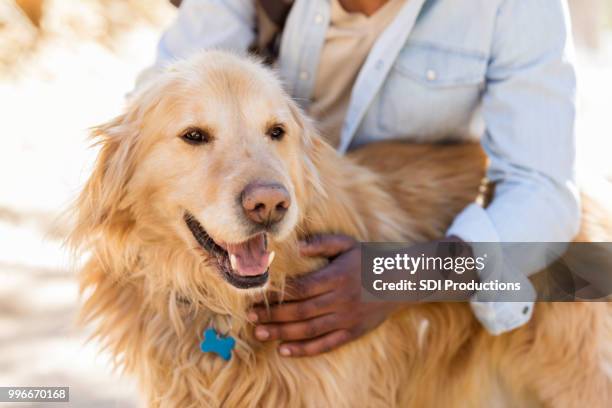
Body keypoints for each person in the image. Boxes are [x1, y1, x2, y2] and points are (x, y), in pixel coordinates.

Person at [147, 0, 579, 357]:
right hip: (255, 238)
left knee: (586, 268)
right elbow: (154, 111)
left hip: (419, 239)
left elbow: (542, 188)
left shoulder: (520, 8)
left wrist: (401, 277)